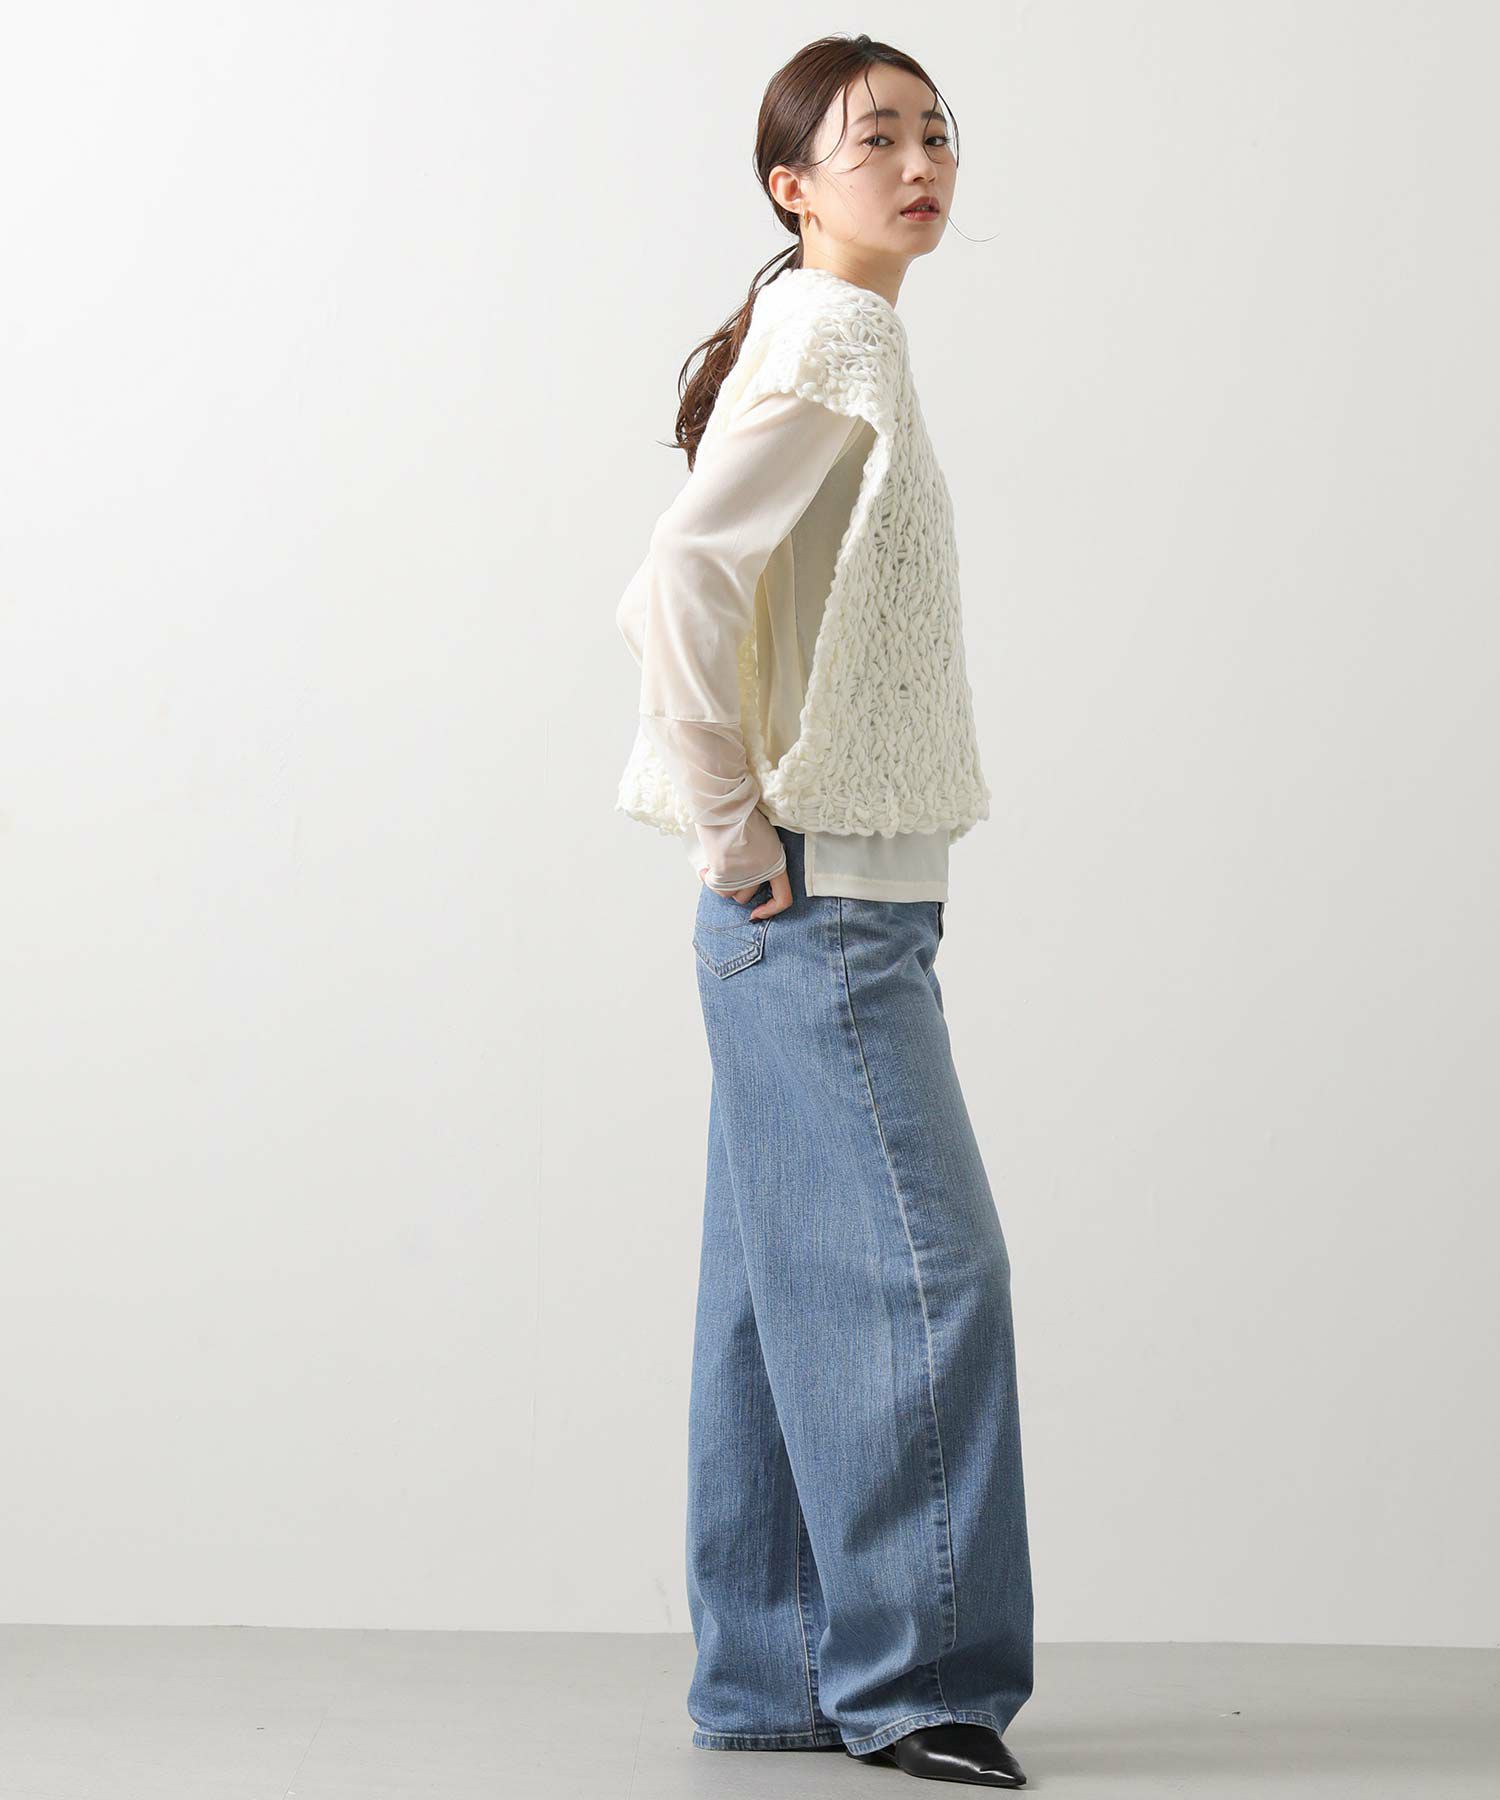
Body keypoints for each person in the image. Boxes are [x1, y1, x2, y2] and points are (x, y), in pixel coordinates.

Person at [614, 33, 1034, 1792]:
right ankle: (917, 1680)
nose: (920, 163)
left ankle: (779, 1673)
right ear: (792, 185)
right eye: (877, 141)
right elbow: (680, 584)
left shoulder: (823, 328)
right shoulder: (837, 333)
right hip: (821, 908)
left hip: (813, 907)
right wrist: (736, 832)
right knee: (926, 1280)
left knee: (776, 1300)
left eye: (937, 133)